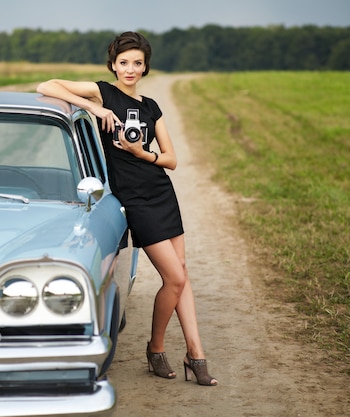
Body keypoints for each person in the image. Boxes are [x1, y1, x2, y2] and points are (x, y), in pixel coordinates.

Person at [36, 31, 217, 386]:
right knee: (175, 278)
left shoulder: (151, 107)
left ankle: (196, 354)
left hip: (161, 192)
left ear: (145, 66)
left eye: (137, 63)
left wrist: (140, 152)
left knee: (182, 274)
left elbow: (171, 160)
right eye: (123, 63)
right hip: (134, 199)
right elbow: (47, 85)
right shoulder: (104, 92)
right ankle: (156, 348)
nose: (130, 69)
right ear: (113, 65)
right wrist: (92, 106)